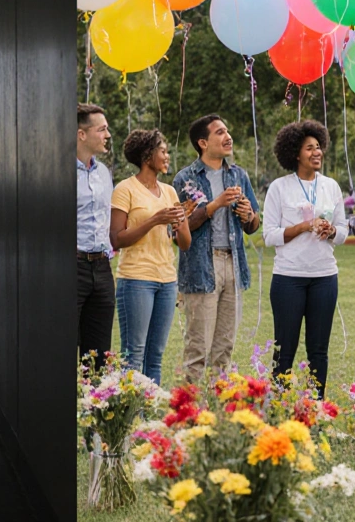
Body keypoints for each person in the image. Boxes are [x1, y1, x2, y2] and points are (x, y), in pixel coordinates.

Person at [262, 120, 348, 396]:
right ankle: (280, 404)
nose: (317, 152)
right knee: (285, 348)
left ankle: (316, 404)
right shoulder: (279, 187)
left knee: (319, 349)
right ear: (295, 154)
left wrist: (331, 230)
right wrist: (302, 227)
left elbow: (344, 232)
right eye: (310, 148)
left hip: (324, 277)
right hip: (289, 278)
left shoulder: (331, 186)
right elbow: (269, 235)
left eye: (319, 147)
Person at [174, 115, 261, 383]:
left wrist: (248, 215)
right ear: (203, 142)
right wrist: (215, 204)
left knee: (224, 348)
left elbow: (254, 224)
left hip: (233, 264)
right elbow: (180, 230)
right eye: (220, 132)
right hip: (202, 266)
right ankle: (189, 413)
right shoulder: (185, 179)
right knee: (198, 348)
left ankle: (217, 412)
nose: (228, 136)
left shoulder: (238, 174)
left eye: (228, 131)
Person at [110, 129, 192, 383]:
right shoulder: (125, 189)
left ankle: (149, 418)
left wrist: (180, 222)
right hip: (136, 280)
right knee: (134, 354)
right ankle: (131, 417)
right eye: (163, 151)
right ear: (147, 155)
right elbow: (117, 239)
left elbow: (185, 244)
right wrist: (156, 220)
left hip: (167, 281)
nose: (168, 156)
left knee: (155, 356)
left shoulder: (169, 192)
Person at [77, 103, 114, 370]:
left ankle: (96, 407)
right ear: (81, 134)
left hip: (102, 267)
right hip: (72, 267)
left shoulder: (103, 173)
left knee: (99, 354)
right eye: (102, 129)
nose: (107, 135)